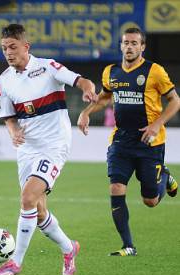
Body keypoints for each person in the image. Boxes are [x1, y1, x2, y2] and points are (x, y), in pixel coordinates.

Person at [0, 24, 97, 275]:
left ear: (26, 46)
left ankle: (15, 262)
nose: (8, 52)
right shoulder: (3, 81)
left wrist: (87, 89)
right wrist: (13, 131)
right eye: (5, 48)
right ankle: (69, 247)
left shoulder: (47, 67)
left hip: (54, 145)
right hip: (28, 149)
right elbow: (8, 117)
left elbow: (81, 80)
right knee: (37, 212)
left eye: (13, 47)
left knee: (27, 198)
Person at [77, 27, 179, 256]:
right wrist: (86, 112)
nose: (130, 47)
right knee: (116, 187)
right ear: (121, 46)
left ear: (142, 47)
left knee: (150, 201)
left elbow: (175, 101)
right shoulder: (110, 72)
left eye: (135, 43)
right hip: (121, 141)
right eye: (126, 43)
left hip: (149, 142)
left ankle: (165, 176)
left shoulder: (155, 71)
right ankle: (128, 245)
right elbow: (104, 98)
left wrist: (156, 124)